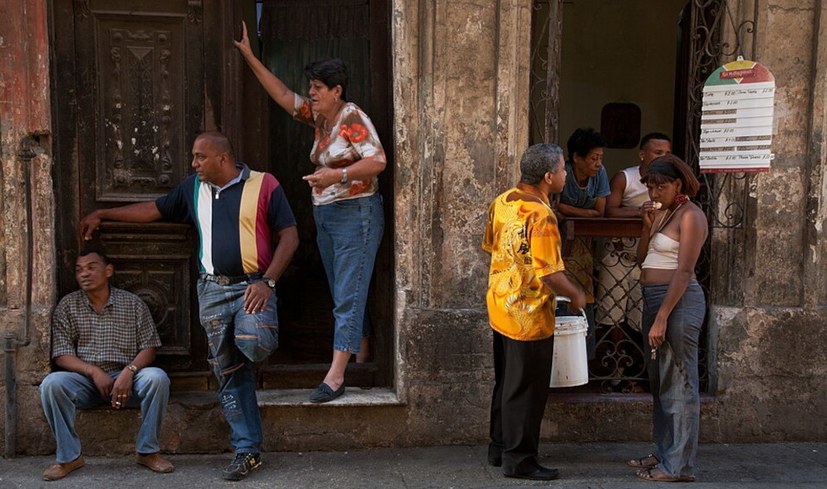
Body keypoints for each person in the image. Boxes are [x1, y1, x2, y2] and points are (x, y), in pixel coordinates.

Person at [79, 131, 299, 481]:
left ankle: (243, 353)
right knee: (227, 372)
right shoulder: (193, 189)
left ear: (222, 158)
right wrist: (104, 213)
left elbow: (290, 235)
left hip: (252, 286)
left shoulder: (264, 184)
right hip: (212, 291)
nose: (193, 163)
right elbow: (154, 209)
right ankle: (247, 450)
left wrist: (267, 282)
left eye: (200, 157)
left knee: (254, 342)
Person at [234, 22, 386, 403]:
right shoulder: (321, 118)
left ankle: (336, 376)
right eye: (312, 87)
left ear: (336, 90)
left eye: (318, 88)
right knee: (344, 288)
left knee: (347, 294)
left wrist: (337, 174)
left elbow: (378, 161)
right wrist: (251, 58)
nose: (312, 93)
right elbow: (284, 95)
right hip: (328, 215)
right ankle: (362, 356)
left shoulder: (351, 118)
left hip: (357, 213)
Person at [483, 143, 586, 481]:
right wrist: (576, 293)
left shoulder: (503, 201)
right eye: (562, 170)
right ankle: (521, 459)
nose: (565, 174)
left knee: (507, 383)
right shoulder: (542, 215)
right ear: (548, 176)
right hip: (528, 313)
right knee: (526, 389)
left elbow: (492, 246)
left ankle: (499, 448)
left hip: (501, 304)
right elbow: (549, 273)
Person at [39, 248, 173, 481]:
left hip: (128, 381)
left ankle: (148, 451)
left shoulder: (132, 304)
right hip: (86, 383)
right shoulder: (68, 306)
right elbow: (61, 355)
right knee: (51, 384)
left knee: (157, 378)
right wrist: (93, 371)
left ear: (108, 270)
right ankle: (69, 457)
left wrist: (129, 372)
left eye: (92, 267)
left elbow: (150, 347)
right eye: (79, 270)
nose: (84, 274)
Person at [627, 154, 707, 482]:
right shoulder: (664, 213)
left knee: (680, 384)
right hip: (654, 298)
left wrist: (662, 318)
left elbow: (685, 271)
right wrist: (648, 227)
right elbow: (642, 257)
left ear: (678, 184)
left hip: (678, 302)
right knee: (661, 383)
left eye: (661, 186)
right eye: (650, 187)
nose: (654, 193)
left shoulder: (691, 215)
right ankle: (664, 453)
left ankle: (679, 466)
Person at [595, 133, 672, 360]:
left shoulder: (670, 183)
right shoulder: (624, 178)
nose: (663, 157)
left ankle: (638, 365)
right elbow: (609, 210)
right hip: (618, 256)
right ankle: (614, 364)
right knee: (612, 314)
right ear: (642, 154)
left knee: (641, 316)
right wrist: (641, 212)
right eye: (658, 153)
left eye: (667, 154)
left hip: (649, 259)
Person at [554, 128, 611, 359]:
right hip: (559, 243)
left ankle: (583, 359)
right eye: (593, 158)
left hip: (585, 247)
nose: (598, 163)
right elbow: (555, 208)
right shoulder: (563, 173)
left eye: (600, 158)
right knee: (559, 295)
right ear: (577, 158)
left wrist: (569, 211)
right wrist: (576, 212)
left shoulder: (600, 174)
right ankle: (560, 357)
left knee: (583, 296)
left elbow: (600, 212)